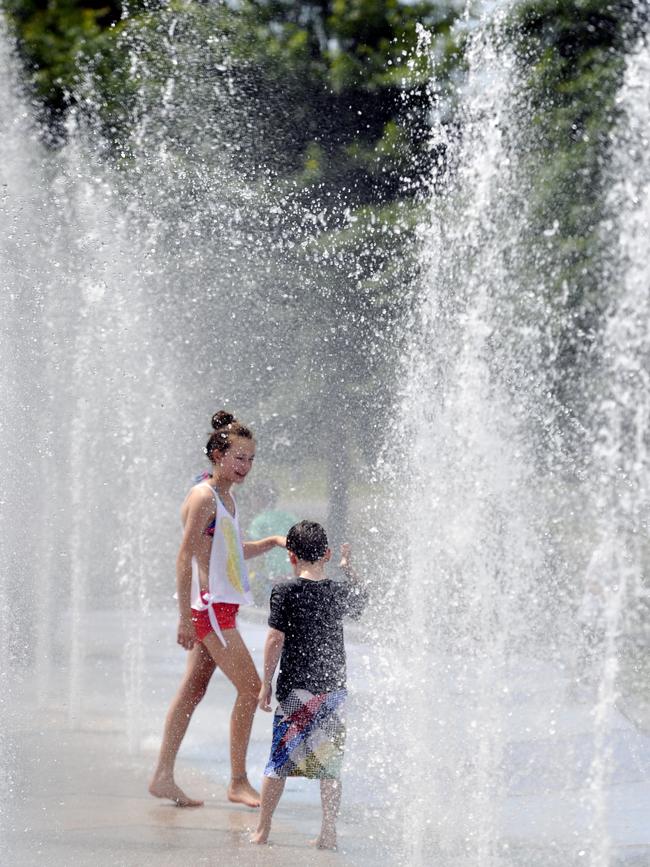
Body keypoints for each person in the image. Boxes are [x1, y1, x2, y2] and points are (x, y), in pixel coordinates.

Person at [149, 411, 286, 808]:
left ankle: (162, 776)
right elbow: (184, 556)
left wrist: (271, 542)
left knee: (194, 688)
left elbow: (231, 550)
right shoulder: (204, 496)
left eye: (250, 459)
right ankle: (238, 781)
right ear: (216, 454)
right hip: (209, 610)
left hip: (217, 608)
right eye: (238, 458)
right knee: (250, 687)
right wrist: (183, 618)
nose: (245, 466)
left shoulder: (226, 498)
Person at [251, 521, 367, 849]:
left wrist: (265, 684)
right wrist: (348, 567)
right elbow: (361, 602)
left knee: (279, 763)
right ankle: (328, 832)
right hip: (331, 690)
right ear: (327, 554)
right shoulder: (337, 591)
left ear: (291, 556)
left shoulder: (284, 591)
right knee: (329, 766)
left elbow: (275, 639)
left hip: (295, 692)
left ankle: (263, 831)